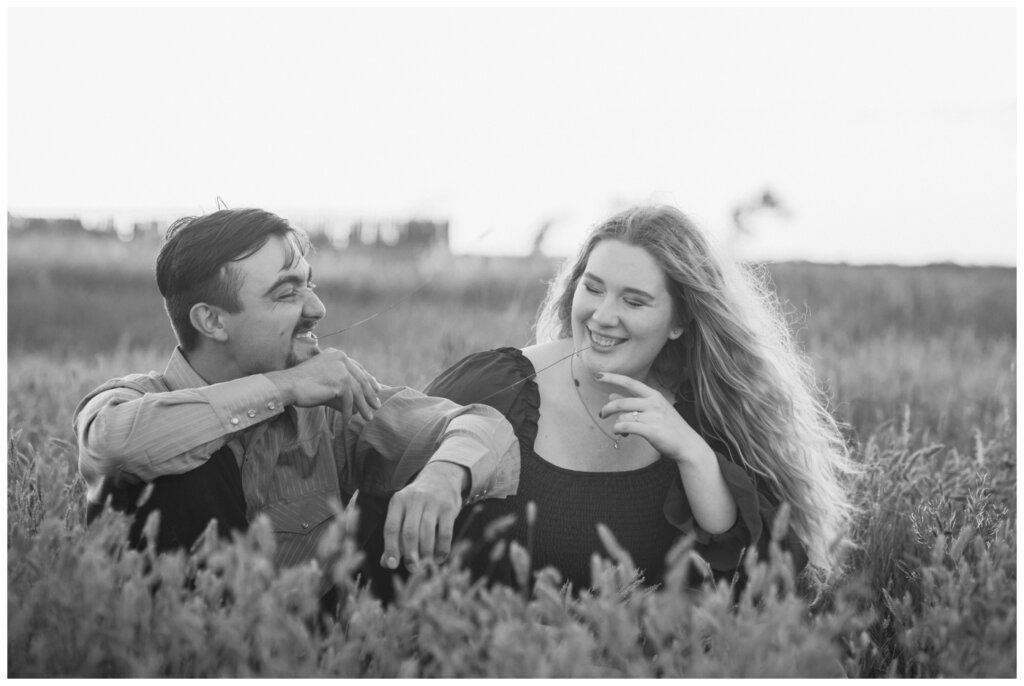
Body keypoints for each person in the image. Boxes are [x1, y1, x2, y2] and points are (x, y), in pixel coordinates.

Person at [423, 205, 856, 595]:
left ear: (678, 321)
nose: (603, 316)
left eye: (634, 300)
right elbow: (389, 508)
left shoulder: (705, 415)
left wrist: (694, 456)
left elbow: (760, 583)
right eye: (593, 288)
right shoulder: (495, 387)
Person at [74, 208, 520, 580]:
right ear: (212, 322)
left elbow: (484, 427)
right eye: (287, 293)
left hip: (303, 651)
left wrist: (443, 478)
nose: (317, 309)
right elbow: (113, 444)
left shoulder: (326, 405)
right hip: (168, 650)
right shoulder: (131, 399)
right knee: (183, 470)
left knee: (473, 491)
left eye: (310, 284)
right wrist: (284, 388)